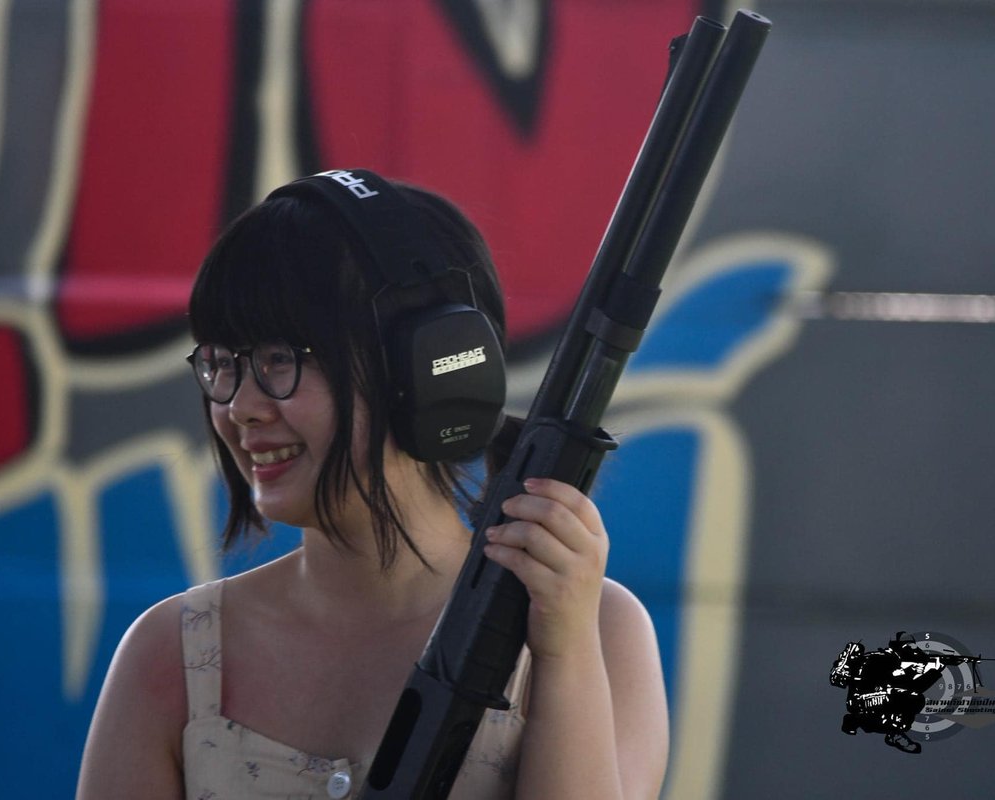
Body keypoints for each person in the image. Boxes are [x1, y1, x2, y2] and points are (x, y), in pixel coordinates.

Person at [76, 169, 669, 799]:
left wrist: (565, 651)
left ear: (426, 373)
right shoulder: (173, 656)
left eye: (279, 359)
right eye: (222, 363)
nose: (240, 406)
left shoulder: (596, 630)